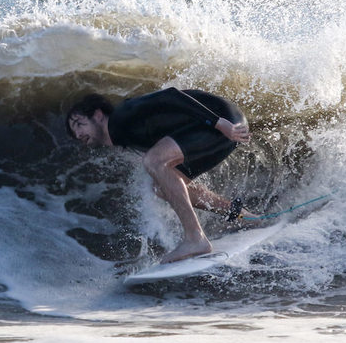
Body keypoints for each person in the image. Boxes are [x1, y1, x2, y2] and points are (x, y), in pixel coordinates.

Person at [65, 87, 256, 263]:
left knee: (154, 161)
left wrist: (218, 122)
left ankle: (195, 238)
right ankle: (242, 215)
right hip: (214, 131)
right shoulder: (123, 135)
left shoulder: (122, 115)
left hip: (224, 124)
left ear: (98, 115)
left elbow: (171, 95)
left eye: (79, 123)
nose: (78, 134)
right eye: (74, 133)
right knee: (161, 187)